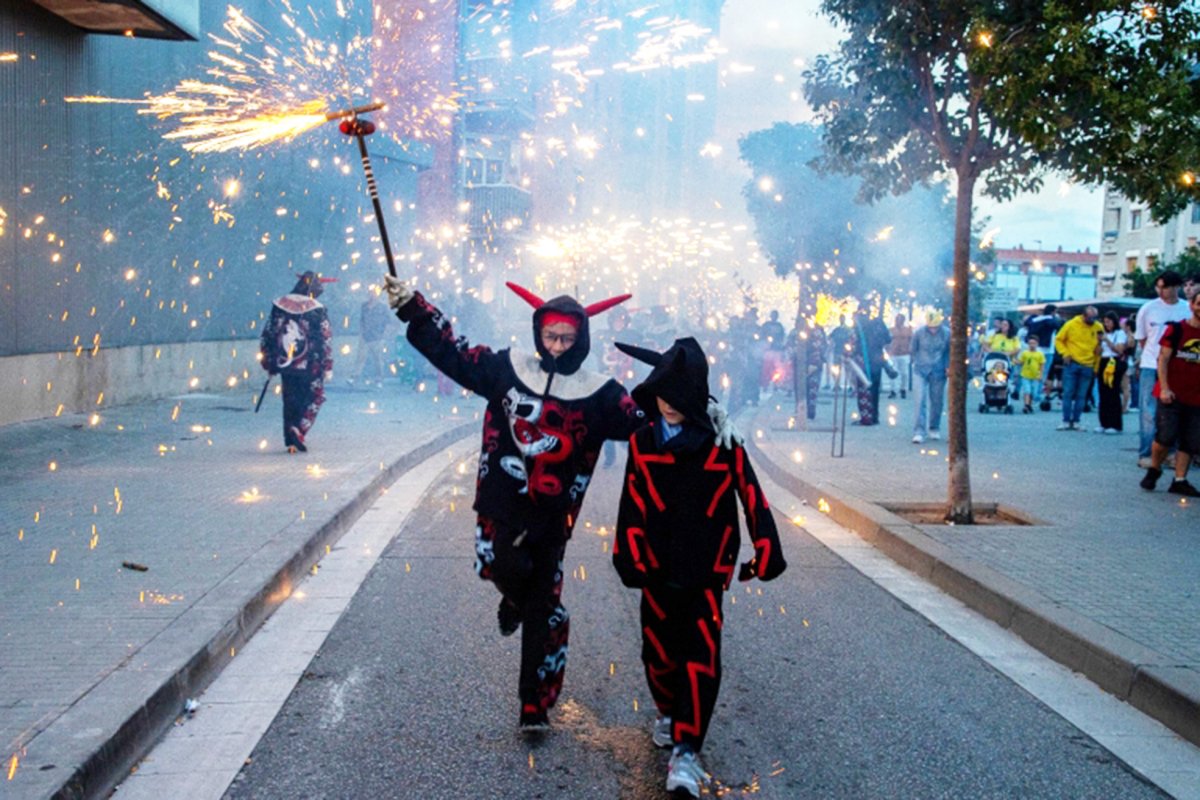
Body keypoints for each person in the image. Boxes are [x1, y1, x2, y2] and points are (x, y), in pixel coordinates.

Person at [383, 275, 734, 733]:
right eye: (550, 336)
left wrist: (705, 412)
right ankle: (514, 599)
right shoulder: (507, 369)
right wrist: (413, 307)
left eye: (568, 338)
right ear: (538, 332)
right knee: (507, 572)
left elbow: (650, 419)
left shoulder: (600, 391)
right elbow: (452, 352)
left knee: (540, 605)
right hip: (502, 504)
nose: (558, 346)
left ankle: (534, 707)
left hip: (553, 515)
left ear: (582, 339)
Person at [610, 337, 787, 799]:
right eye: (661, 394)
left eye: (678, 395)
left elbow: (753, 496)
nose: (669, 404)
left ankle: (687, 750)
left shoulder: (723, 442)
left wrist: (765, 545)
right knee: (657, 652)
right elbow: (631, 503)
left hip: (707, 571)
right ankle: (668, 709)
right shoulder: (643, 441)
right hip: (656, 569)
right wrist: (627, 552)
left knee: (702, 658)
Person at [258, 271, 334, 453]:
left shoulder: (280, 305)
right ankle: (299, 430)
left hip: (286, 364)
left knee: (290, 400)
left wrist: (268, 361)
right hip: (311, 365)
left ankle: (290, 439)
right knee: (315, 396)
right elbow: (325, 338)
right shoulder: (316, 309)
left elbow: (269, 333)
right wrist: (328, 366)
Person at [1139, 285, 1200, 497]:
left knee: (1191, 440)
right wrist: (1164, 388)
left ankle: (1180, 479)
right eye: (1199, 304)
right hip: (1171, 393)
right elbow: (1163, 359)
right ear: (1192, 305)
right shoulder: (1177, 329)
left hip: (1197, 397)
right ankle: (1155, 468)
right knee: (1165, 436)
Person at [1134, 271, 1190, 466]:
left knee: (1174, 411)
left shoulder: (1186, 309)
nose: (1161, 291)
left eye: (1165, 287)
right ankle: (1146, 453)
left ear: (1176, 287)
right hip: (1151, 364)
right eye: (1159, 287)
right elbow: (1142, 338)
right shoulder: (1148, 308)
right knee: (1148, 410)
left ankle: (1171, 452)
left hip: (1177, 366)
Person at [1054, 306, 1102, 431]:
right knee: (1068, 393)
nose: (1093, 320)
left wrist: (1096, 366)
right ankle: (1065, 420)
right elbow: (1059, 340)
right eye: (1090, 318)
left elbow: (1099, 349)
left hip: (1088, 365)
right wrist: (1065, 353)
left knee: (1082, 395)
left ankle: (1076, 421)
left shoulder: (1098, 327)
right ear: (1084, 316)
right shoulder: (1071, 324)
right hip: (1072, 363)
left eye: (1095, 318)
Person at [910, 310, 950, 444]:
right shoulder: (919, 333)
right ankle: (919, 431)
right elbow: (913, 349)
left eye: (935, 327)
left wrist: (948, 366)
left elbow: (949, 351)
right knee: (919, 400)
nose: (933, 330)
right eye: (930, 327)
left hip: (939, 371)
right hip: (920, 369)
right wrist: (916, 361)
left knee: (937, 401)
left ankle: (934, 427)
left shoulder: (947, 334)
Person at [849, 305, 892, 425]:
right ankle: (874, 416)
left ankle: (866, 417)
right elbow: (888, 339)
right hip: (877, 359)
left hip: (863, 361)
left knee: (863, 389)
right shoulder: (879, 323)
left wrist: (849, 354)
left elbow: (852, 343)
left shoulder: (858, 325)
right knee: (875, 389)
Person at [348, 287, 394, 388]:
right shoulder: (364, 306)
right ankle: (354, 377)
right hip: (365, 336)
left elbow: (388, 321)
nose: (371, 295)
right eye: (370, 293)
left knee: (378, 360)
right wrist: (361, 332)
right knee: (360, 358)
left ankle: (379, 379)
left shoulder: (382, 307)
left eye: (373, 293)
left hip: (377, 336)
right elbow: (362, 320)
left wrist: (385, 334)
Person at [1095, 311, 1128, 433]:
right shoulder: (1104, 334)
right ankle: (1103, 422)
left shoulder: (1120, 334)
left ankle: (1115, 424)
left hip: (1113, 362)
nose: (1106, 324)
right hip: (1103, 362)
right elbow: (1097, 352)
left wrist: (1107, 340)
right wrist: (1099, 341)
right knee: (1102, 393)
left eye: (1109, 322)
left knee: (1112, 393)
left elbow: (1119, 350)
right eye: (1105, 322)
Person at [1015, 334, 1046, 414]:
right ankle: (1026, 405)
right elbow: (1021, 362)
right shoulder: (1025, 353)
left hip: (1035, 376)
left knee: (1034, 392)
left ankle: (1030, 404)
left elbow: (1042, 365)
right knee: (1027, 390)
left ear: (1037, 344)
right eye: (1030, 343)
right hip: (1025, 375)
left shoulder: (1040, 354)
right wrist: (1015, 361)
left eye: (1034, 343)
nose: (1032, 345)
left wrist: (1041, 375)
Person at [886, 313, 913, 399]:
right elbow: (886, 341)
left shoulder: (908, 330)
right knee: (893, 373)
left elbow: (911, 341)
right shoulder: (891, 330)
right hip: (893, 354)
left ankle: (903, 389)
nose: (898, 321)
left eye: (900, 320)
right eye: (897, 319)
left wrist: (912, 353)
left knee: (904, 373)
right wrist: (887, 351)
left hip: (905, 354)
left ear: (903, 321)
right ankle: (893, 390)